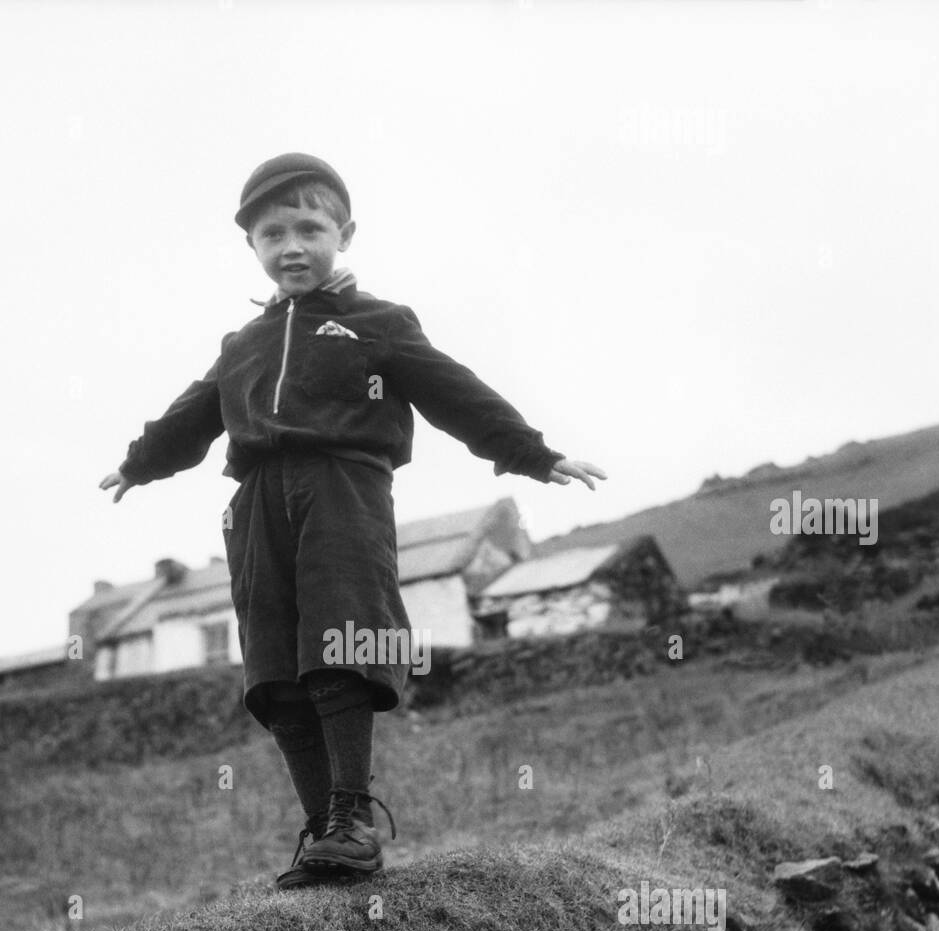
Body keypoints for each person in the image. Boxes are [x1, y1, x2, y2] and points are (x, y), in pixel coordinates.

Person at [100, 153, 606, 890]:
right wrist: (139, 462)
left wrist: (530, 453)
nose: (292, 246)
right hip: (254, 506)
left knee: (339, 641)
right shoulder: (241, 345)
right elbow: (191, 414)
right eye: (272, 234)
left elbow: (454, 392)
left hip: (342, 487)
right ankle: (318, 835)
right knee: (274, 670)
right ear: (253, 248)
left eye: (309, 227)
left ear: (345, 233)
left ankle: (352, 820)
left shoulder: (379, 324)